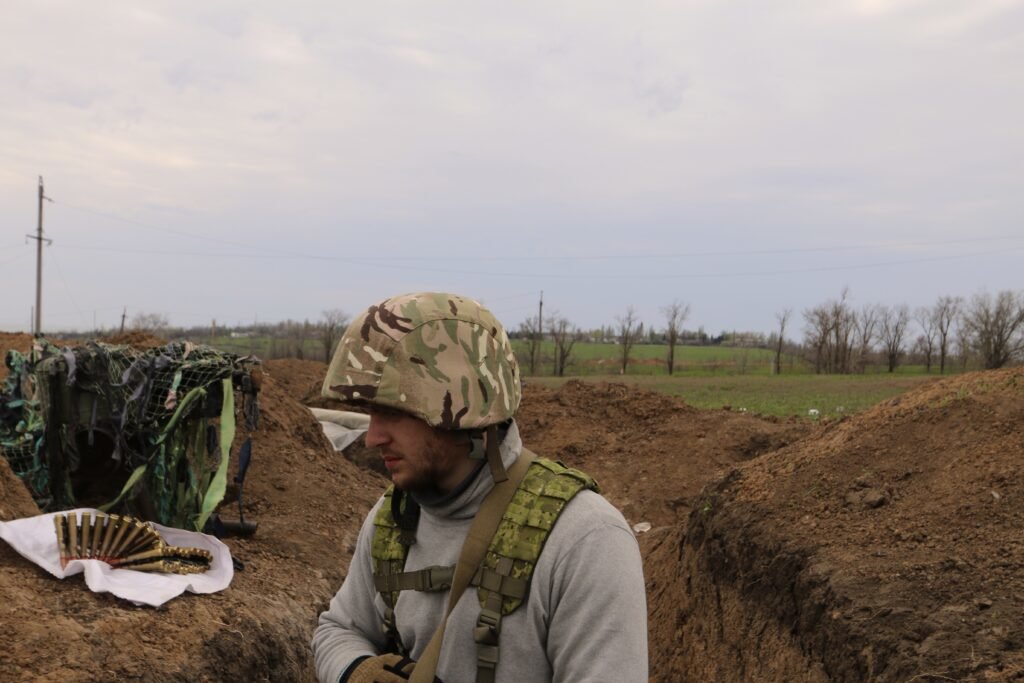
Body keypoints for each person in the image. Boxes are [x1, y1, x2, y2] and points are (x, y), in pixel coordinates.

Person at [312, 292, 648, 683]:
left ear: (461, 410)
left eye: (392, 413)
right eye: (370, 415)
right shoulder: (393, 519)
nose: (372, 438)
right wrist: (358, 670)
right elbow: (337, 630)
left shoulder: (585, 539)